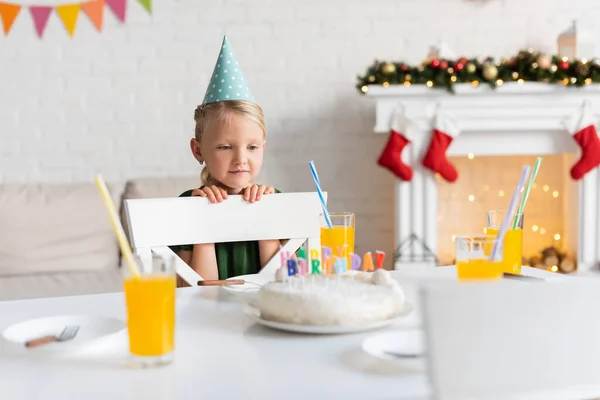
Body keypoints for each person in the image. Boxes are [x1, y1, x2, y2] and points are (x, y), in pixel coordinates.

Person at [172, 36, 280, 283]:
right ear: (198, 151)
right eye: (225, 147)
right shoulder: (188, 204)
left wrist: (266, 215)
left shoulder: (276, 200)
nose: (241, 159)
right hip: (208, 316)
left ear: (263, 148)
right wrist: (205, 217)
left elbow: (280, 282)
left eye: (252, 147)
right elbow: (197, 289)